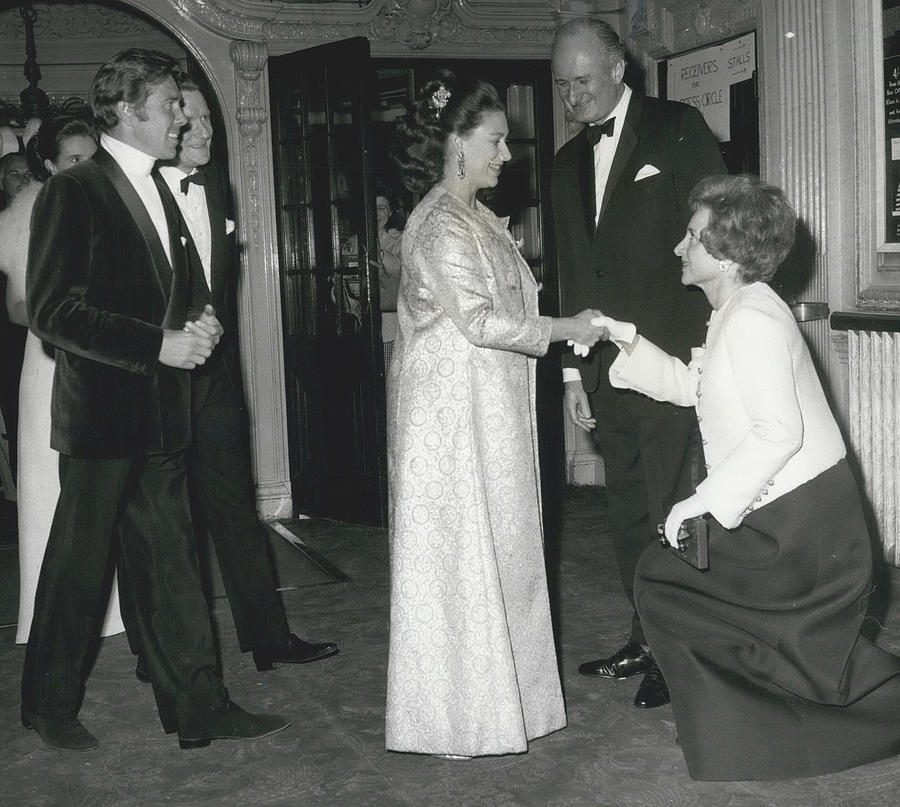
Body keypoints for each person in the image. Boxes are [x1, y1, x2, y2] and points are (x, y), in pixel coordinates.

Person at [21, 48, 288, 752]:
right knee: (79, 566)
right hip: (105, 418)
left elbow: (179, 289)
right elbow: (52, 311)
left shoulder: (165, 189)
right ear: (129, 109)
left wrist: (198, 324)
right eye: (170, 105)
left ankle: (201, 704)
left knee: (173, 563)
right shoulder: (74, 191)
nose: (183, 117)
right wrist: (157, 345)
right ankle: (46, 702)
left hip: (165, 414)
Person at [604, 174, 900, 781]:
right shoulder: (738, 309)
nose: (678, 248)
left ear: (725, 253)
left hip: (803, 527)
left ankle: (757, 734)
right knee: (670, 584)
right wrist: (623, 340)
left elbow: (778, 433)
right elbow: (695, 387)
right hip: (787, 514)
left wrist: (698, 505)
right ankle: (744, 731)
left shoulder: (753, 319)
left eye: (691, 237)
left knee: (667, 582)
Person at [385, 69, 607, 758]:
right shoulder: (437, 224)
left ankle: (507, 706)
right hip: (450, 418)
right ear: (457, 143)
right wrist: (570, 327)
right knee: (461, 557)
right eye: (495, 141)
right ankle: (458, 718)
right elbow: (482, 321)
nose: (506, 155)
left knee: (503, 548)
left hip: (490, 406)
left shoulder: (475, 217)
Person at [550, 17, 727, 709]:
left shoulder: (677, 126)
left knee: (665, 505)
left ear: (619, 68)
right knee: (626, 509)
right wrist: (572, 370)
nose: (572, 99)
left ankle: (673, 649)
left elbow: (718, 231)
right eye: (562, 87)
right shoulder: (567, 160)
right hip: (603, 367)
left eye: (583, 82)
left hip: (668, 357)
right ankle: (644, 631)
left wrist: (714, 343)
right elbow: (571, 270)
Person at [151, 76, 337, 674]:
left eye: (211, 119)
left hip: (216, 381)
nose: (205, 130)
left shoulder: (214, 188)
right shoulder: (134, 191)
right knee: (160, 521)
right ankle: (159, 653)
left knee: (237, 510)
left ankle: (269, 639)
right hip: (153, 380)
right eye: (192, 118)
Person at [3, 116, 128, 645]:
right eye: (74, 160)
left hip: (103, 358)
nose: (87, 169)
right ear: (50, 165)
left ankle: (115, 614)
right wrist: (73, 317)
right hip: (52, 359)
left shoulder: (110, 206)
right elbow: (16, 308)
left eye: (92, 157)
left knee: (105, 485)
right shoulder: (24, 214)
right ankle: (47, 617)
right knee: (49, 487)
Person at [374, 181, 404, 372]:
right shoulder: (354, 239)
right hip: (364, 327)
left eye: (382, 208)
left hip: (390, 329)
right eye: (372, 208)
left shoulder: (401, 240)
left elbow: (402, 271)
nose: (377, 213)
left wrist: (378, 248)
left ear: (391, 212)